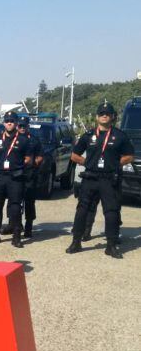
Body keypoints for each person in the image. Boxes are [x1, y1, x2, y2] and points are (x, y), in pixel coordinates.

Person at [66, 101, 134, 258]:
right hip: (90, 177)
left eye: (107, 114)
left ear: (112, 117)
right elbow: (74, 155)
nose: (104, 116)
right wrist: (88, 163)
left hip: (109, 179)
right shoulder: (88, 136)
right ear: (97, 117)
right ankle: (76, 241)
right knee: (82, 210)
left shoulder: (120, 136)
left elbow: (129, 156)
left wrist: (117, 164)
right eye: (102, 114)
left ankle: (111, 245)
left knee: (111, 212)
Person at [0, 111, 32, 248]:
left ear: (16, 123)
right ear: (4, 123)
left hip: (15, 177)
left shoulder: (23, 140)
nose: (9, 123)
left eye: (12, 121)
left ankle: (16, 236)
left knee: (15, 207)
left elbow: (28, 158)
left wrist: (17, 166)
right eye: (7, 121)